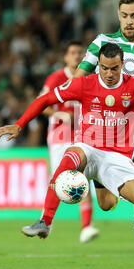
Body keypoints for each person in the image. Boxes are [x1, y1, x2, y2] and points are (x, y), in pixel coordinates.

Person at [0, 43, 134, 269]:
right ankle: (45, 222)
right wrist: (19, 124)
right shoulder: (84, 84)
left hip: (117, 160)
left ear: (123, 65)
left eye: (114, 68)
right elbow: (45, 100)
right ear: (98, 66)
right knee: (69, 158)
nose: (109, 74)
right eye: (104, 68)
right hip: (88, 148)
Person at [27, 0, 134, 269]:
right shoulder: (102, 43)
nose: (129, 21)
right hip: (108, 129)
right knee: (106, 203)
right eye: (124, 16)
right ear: (118, 15)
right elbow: (80, 79)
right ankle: (101, 178)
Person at [39, 41, 99, 243]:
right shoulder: (56, 78)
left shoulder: (91, 78)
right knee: (57, 179)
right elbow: (42, 103)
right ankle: (46, 222)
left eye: (80, 53)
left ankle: (87, 227)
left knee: (83, 178)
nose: (76, 56)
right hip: (59, 136)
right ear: (66, 57)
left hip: (83, 135)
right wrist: (60, 115)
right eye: (72, 52)